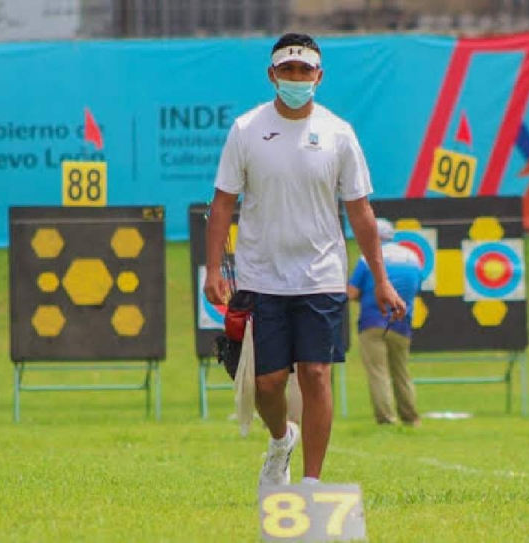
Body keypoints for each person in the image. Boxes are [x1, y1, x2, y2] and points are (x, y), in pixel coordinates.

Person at [204, 32, 406, 488]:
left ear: (320, 75)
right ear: (272, 74)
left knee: (316, 374)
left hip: (321, 275)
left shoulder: (339, 133)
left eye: (305, 70)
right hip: (262, 276)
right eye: (288, 70)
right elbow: (222, 204)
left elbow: (361, 212)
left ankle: (311, 484)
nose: (297, 78)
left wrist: (381, 280)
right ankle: (280, 441)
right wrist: (214, 270)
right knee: (268, 384)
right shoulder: (246, 129)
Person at [348, 218, 422, 426]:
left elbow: (352, 292)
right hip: (402, 322)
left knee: (378, 373)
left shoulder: (367, 258)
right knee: (402, 372)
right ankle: (411, 418)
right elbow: (416, 286)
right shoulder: (412, 257)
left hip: (372, 322)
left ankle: (387, 419)